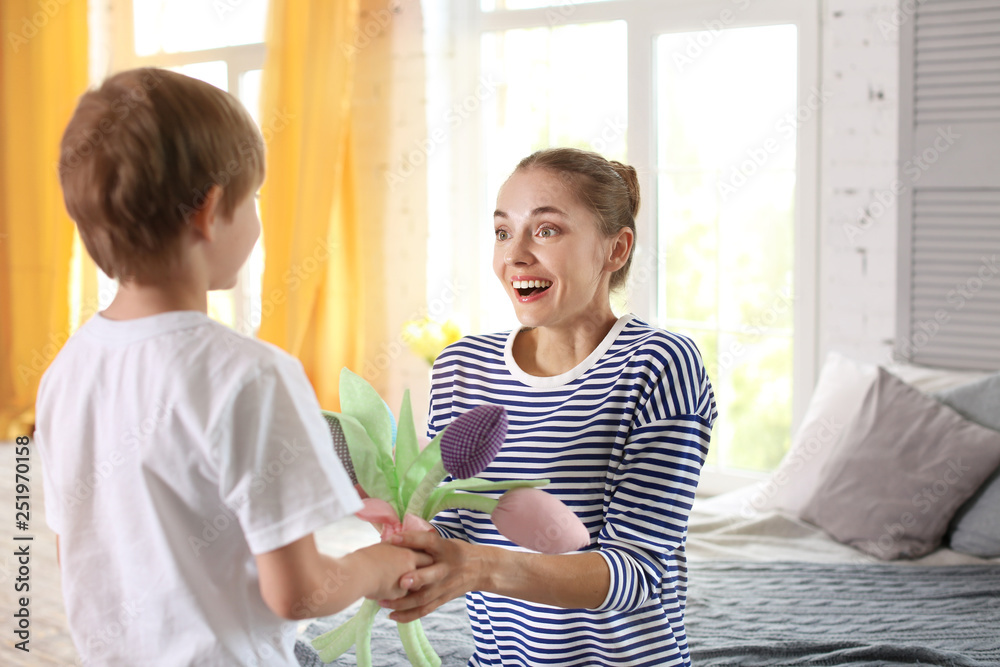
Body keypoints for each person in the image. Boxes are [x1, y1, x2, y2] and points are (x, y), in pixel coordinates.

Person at [35, 67, 428, 666]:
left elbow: (80, 552)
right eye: (257, 198)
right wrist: (376, 564)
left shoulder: (64, 371)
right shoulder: (253, 374)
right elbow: (298, 592)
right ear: (210, 211)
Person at [382, 147, 718, 666]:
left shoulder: (658, 365)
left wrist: (476, 568)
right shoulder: (460, 367)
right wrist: (409, 531)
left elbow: (637, 569)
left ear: (616, 249)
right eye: (501, 231)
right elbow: (450, 521)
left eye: (546, 230)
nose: (513, 255)